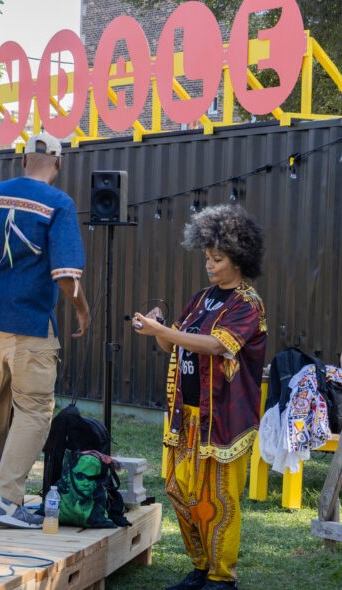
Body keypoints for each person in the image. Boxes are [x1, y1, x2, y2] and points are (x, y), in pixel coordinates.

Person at [131, 204, 266, 590]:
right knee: (180, 491)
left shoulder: (247, 304)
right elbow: (170, 345)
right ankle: (200, 567)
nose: (209, 265)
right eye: (207, 257)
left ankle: (222, 577)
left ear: (238, 259)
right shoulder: (201, 297)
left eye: (217, 259)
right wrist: (154, 326)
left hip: (223, 418)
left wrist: (168, 332)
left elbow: (214, 345)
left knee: (219, 499)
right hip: (185, 416)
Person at [0, 130, 91, 529]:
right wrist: (82, 309)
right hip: (30, 326)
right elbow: (66, 277)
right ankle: (5, 501)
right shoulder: (59, 203)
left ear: (22, 160)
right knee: (35, 410)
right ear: (58, 163)